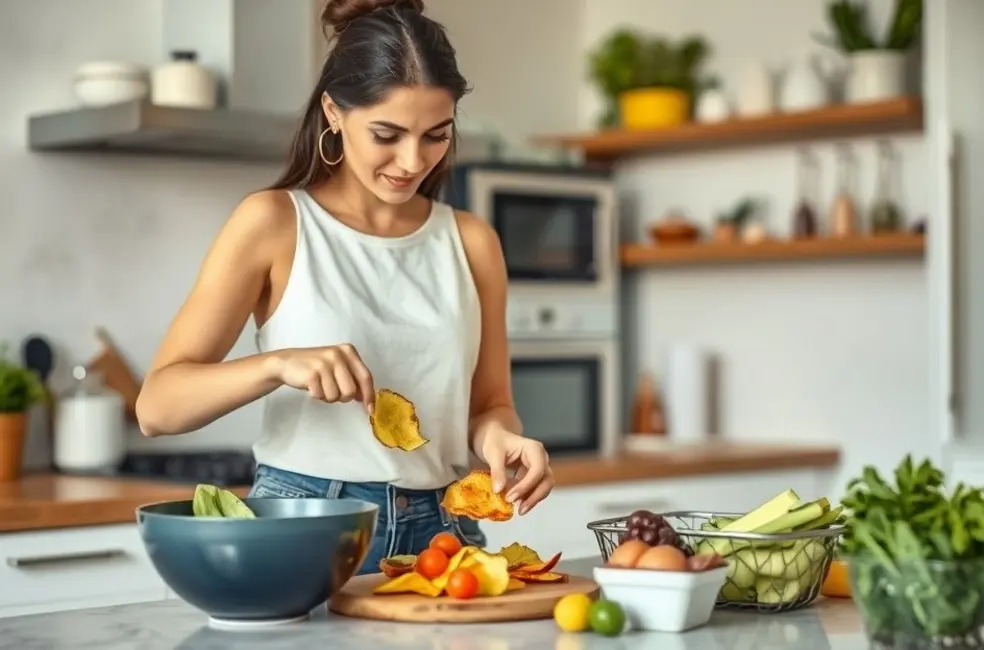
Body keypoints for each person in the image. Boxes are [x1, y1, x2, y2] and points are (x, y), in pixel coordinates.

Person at [134, 0, 554, 575]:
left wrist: (504, 441)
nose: (413, 161)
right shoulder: (273, 223)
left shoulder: (472, 241)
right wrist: (277, 365)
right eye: (387, 134)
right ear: (333, 111)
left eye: (436, 135)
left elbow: (489, 406)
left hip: (448, 532)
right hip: (308, 523)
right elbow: (157, 407)